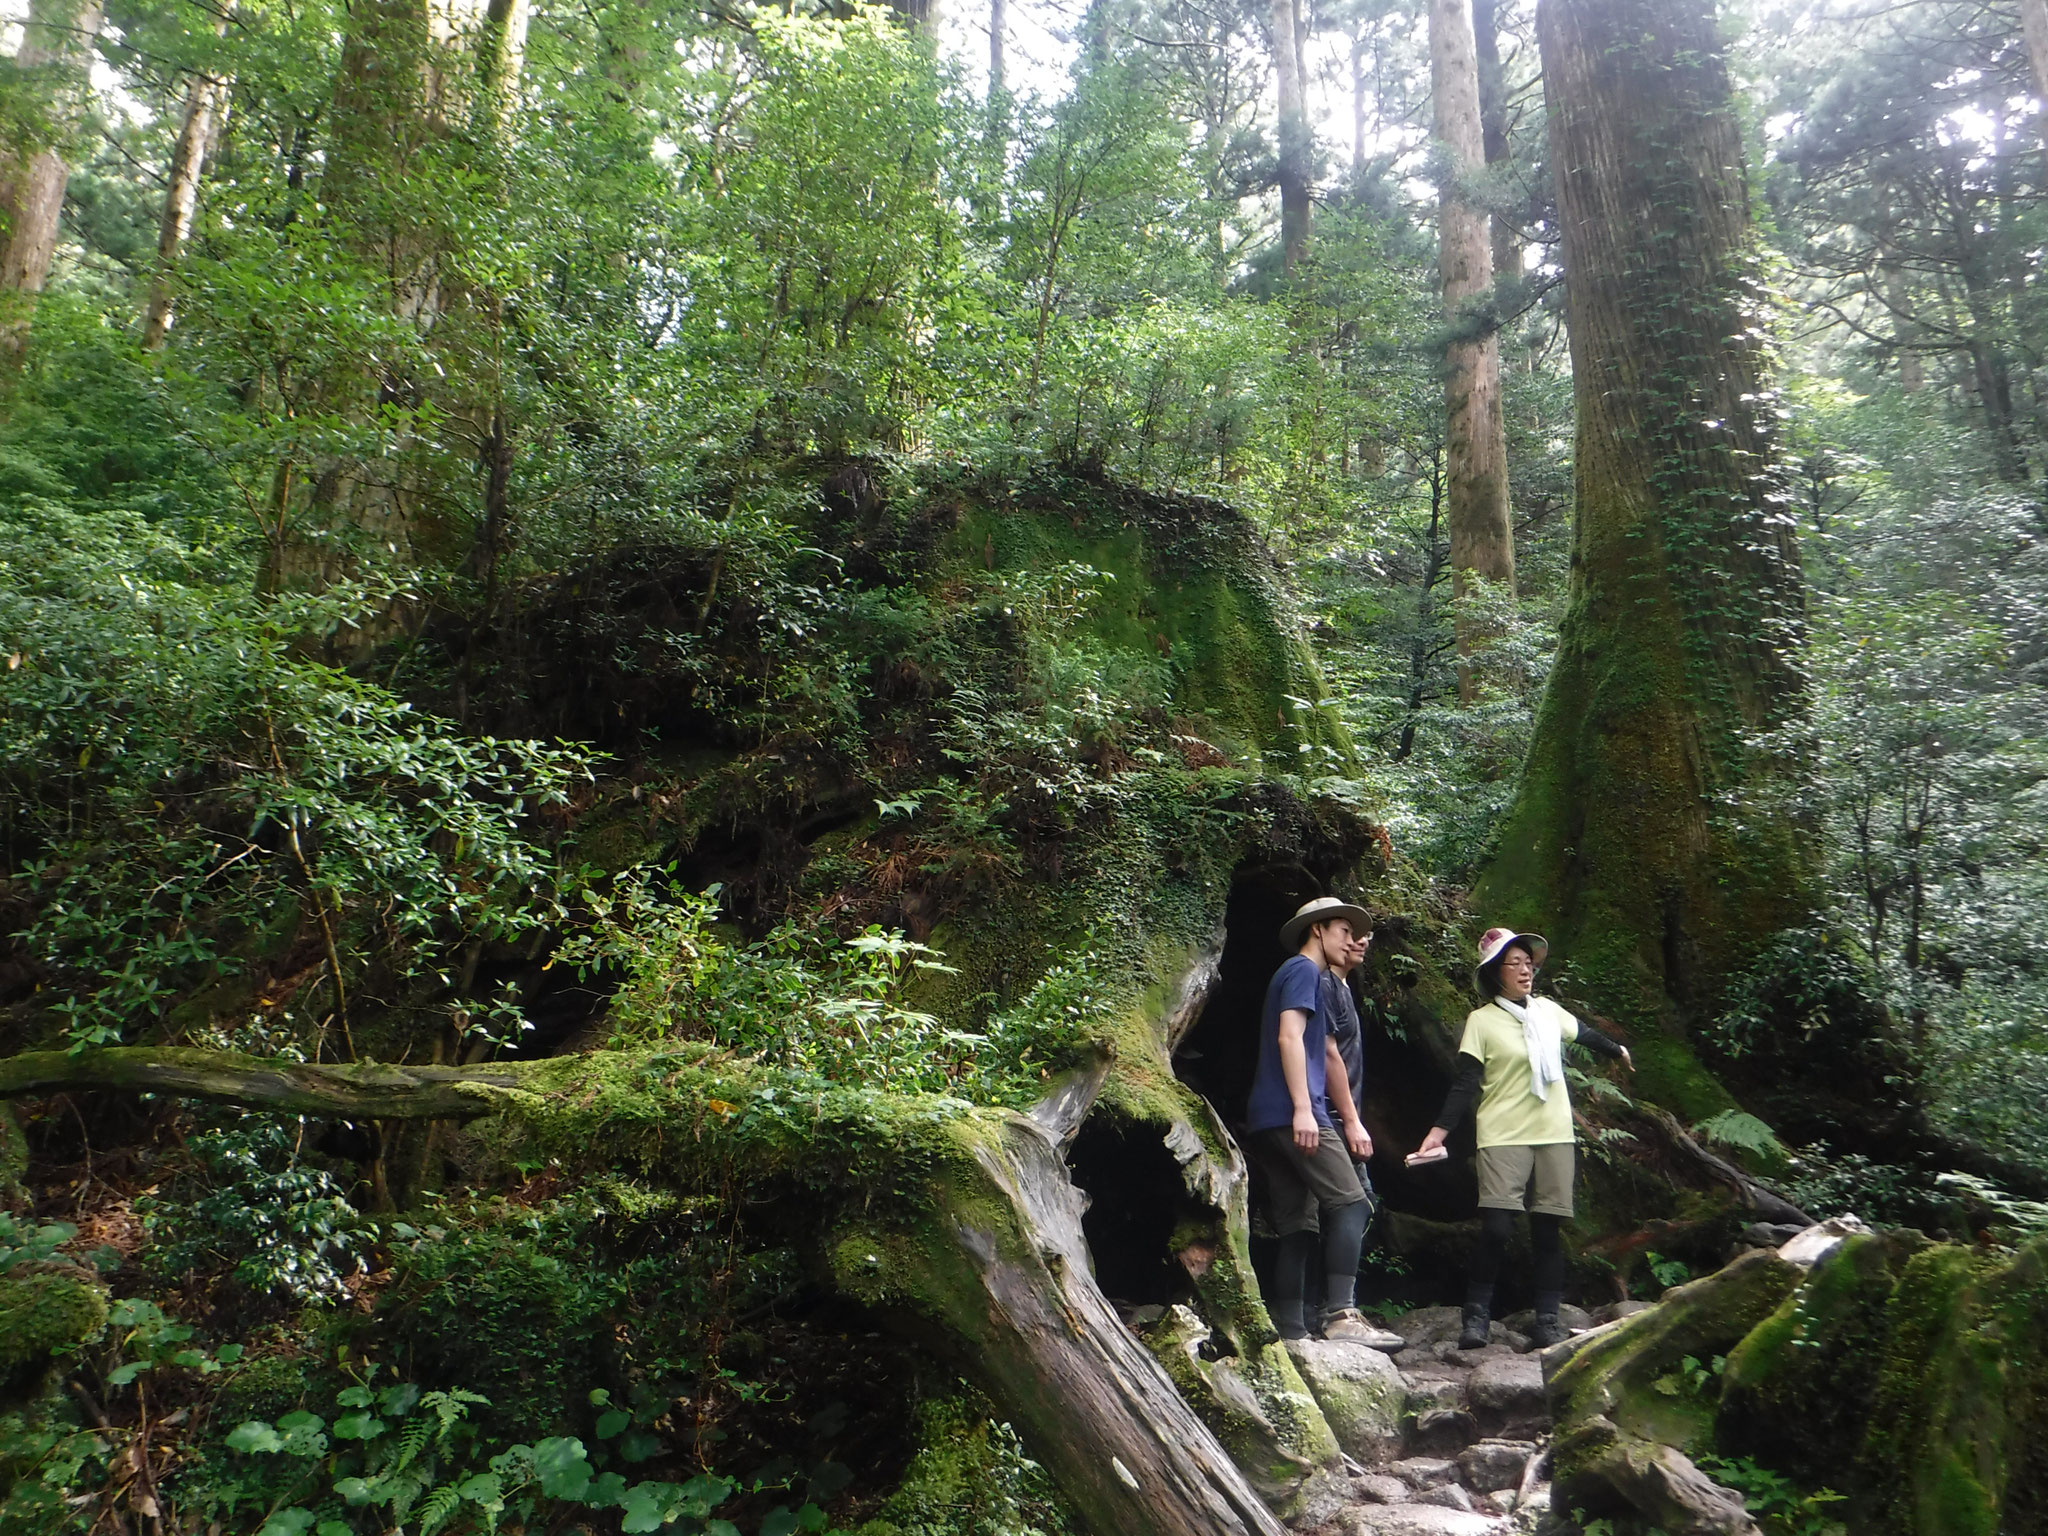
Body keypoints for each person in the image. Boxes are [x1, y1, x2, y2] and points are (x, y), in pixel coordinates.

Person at [1412, 927, 1632, 1350]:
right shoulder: (1482, 1021)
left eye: (1528, 962)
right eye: (1515, 963)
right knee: (1496, 1227)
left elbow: (1583, 1033)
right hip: (1502, 1132)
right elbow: (1465, 1082)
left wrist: (1617, 1050)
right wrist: (1438, 1132)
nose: (1525, 969)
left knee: (1548, 1228)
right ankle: (1476, 1317)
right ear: (1496, 974)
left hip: (1553, 1132)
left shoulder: (1548, 1012)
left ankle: (1547, 1320)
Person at [1245, 897, 1406, 1350]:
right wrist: (1302, 1107)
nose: (1351, 940)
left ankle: (1291, 1330)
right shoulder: (1302, 971)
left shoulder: (1298, 975)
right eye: (1342, 930)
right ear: (1316, 930)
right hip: (1294, 1111)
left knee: (1299, 1224)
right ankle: (1341, 1315)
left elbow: (1318, 1047)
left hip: (1267, 1117)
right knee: (1352, 1203)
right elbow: (1288, 1035)